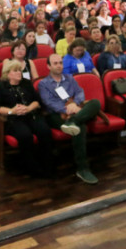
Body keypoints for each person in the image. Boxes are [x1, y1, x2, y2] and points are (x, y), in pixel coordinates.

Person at [37, 54, 98, 184]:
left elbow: (80, 92)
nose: (59, 65)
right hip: (55, 115)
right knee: (80, 127)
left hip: (74, 110)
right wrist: (67, 110)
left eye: (60, 63)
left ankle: (74, 121)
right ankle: (82, 168)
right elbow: (49, 102)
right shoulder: (44, 84)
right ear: (48, 66)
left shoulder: (69, 78)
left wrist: (74, 104)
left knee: (95, 103)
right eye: (55, 63)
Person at [0, 60, 53, 177]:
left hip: (31, 114)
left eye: (20, 70)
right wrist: (12, 111)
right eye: (15, 71)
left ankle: (47, 164)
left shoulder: (26, 83)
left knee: (44, 131)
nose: (19, 72)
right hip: (13, 119)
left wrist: (29, 108)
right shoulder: (0, 87)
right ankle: (31, 167)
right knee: (25, 135)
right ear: (7, 73)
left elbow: (37, 101)